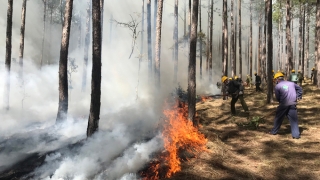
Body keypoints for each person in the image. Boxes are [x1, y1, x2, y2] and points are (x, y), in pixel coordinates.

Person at [269, 72, 303, 139]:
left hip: (284, 104)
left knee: (278, 118)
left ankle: (274, 131)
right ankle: (296, 135)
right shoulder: (292, 83)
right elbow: (300, 89)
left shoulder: (277, 86)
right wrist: (298, 96)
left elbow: (278, 97)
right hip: (293, 103)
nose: (275, 81)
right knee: (294, 120)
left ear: (277, 79)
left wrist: (281, 103)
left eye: (275, 79)